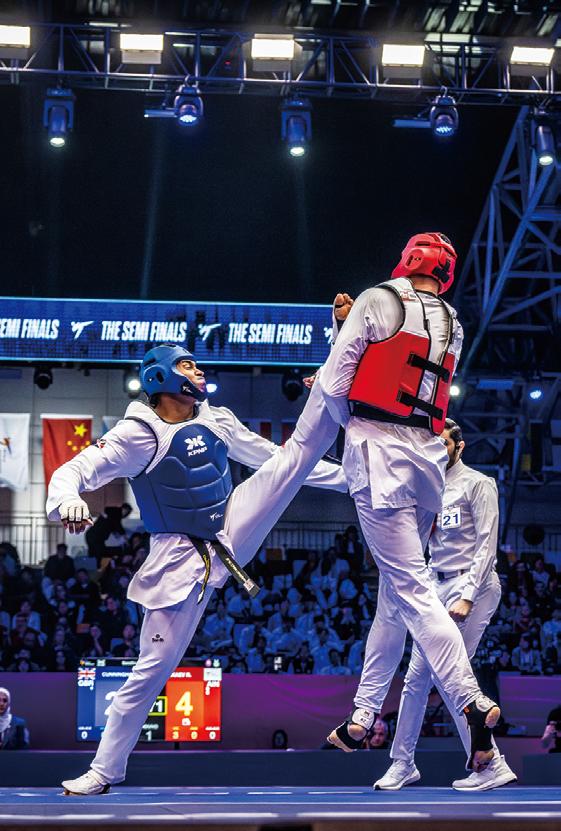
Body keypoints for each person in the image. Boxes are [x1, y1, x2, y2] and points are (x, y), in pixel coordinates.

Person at [46, 342, 346, 794]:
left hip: (229, 527)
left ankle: (333, 392)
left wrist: (349, 481)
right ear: (161, 378)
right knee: (151, 671)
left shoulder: (217, 418)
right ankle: (104, 771)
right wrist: (67, 500)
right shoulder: (138, 434)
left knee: (289, 461)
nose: (199, 371)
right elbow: (72, 471)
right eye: (187, 365)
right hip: (177, 556)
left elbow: (271, 457)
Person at [318, 233, 501, 774]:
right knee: (393, 598)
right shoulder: (453, 321)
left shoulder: (378, 298)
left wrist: (347, 410)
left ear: (407, 260)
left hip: (380, 455)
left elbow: (336, 381)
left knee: (412, 594)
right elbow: (403, 370)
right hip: (424, 458)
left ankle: (470, 698)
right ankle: (363, 714)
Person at [373, 419, 516, 792]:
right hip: (434, 585)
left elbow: (487, 543)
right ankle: (402, 763)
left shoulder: (478, 484)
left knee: (447, 674)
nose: (438, 449)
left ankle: (491, 764)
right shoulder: (427, 488)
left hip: (473, 585)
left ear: (459, 447)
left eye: (445, 444)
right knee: (416, 677)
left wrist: (468, 594)